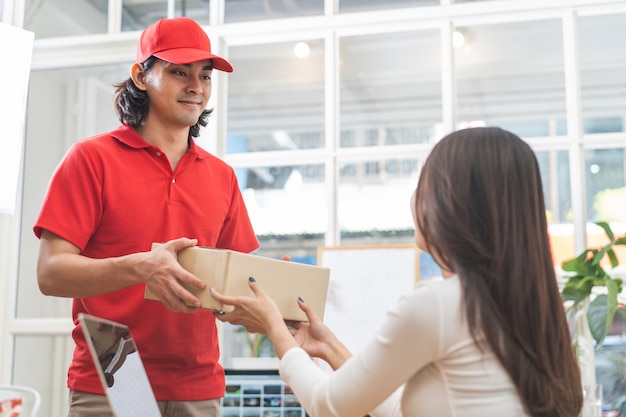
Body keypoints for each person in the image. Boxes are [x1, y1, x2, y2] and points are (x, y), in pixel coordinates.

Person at [211, 127, 584, 417]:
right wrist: (330, 349)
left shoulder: (438, 303)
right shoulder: (535, 307)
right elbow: (399, 409)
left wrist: (277, 330)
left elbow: (329, 406)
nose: (414, 201)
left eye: (423, 186)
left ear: (451, 205)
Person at [33, 17, 259, 417]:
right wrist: (141, 267)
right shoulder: (91, 159)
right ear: (141, 75)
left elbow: (234, 285)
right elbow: (51, 273)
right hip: (117, 372)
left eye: (205, 76)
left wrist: (271, 298)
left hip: (199, 382)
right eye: (179, 72)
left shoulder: (222, 176)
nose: (196, 87)